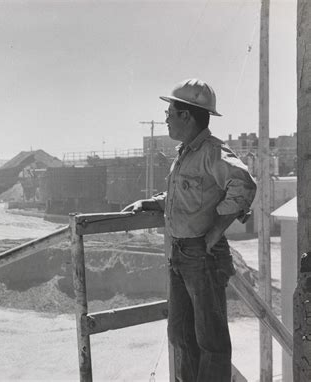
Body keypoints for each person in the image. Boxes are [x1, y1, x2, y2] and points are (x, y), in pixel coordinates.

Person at [123, 79, 257, 382]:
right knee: (180, 336)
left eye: (170, 111)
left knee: (210, 342)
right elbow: (184, 197)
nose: (166, 117)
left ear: (188, 115)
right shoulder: (186, 153)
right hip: (181, 255)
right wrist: (150, 203)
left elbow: (244, 184)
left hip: (203, 255)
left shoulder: (212, 151)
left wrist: (216, 230)